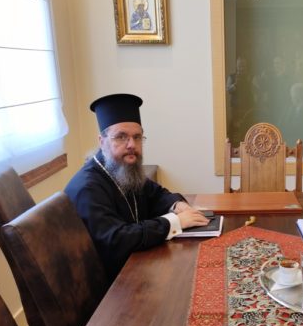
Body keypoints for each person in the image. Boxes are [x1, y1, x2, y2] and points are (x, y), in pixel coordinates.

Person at [65, 93, 209, 280]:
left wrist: (178, 205)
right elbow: (117, 239)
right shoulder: (88, 187)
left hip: (137, 265)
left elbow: (156, 194)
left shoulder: (123, 169)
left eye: (137, 137)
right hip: (112, 283)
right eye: (121, 137)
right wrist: (175, 222)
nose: (131, 145)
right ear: (102, 141)